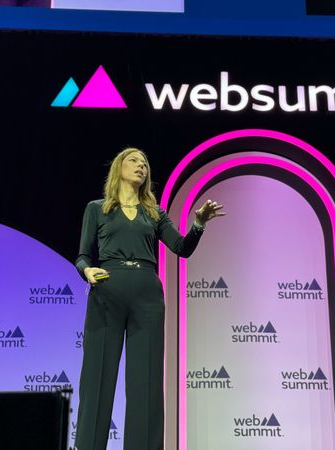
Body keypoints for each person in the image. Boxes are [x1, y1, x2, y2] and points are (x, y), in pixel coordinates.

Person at [74, 147, 225, 450]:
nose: (141, 166)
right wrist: (87, 271)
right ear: (119, 167)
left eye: (145, 163)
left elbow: (182, 248)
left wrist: (199, 224)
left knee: (147, 382)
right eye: (134, 160)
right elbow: (82, 256)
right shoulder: (97, 208)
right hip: (107, 291)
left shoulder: (155, 214)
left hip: (146, 296)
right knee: (97, 377)